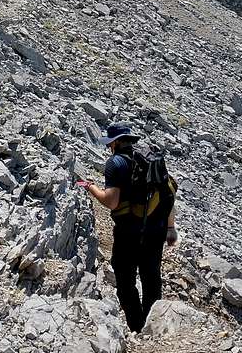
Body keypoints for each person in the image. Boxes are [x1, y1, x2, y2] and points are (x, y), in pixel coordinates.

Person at [79, 122, 178, 333]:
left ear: (115, 142)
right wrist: (171, 228)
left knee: (125, 281)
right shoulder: (150, 161)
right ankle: (153, 327)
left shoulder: (115, 163)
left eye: (109, 143)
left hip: (129, 232)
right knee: (151, 279)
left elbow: (112, 201)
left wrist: (91, 187)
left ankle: (137, 326)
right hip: (155, 231)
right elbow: (168, 196)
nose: (108, 147)